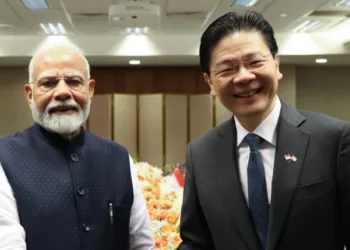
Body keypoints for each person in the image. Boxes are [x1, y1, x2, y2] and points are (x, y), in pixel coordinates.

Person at [178, 11, 350, 250]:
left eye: (255, 62)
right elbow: (196, 242)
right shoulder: (200, 153)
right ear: (210, 82)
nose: (244, 76)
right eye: (227, 69)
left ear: (276, 64)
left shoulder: (333, 139)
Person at [0, 42, 155, 250]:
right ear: (30, 95)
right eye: (48, 83)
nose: (62, 92)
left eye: (74, 82)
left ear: (90, 90)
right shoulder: (5, 157)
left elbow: (142, 243)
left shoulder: (118, 157)